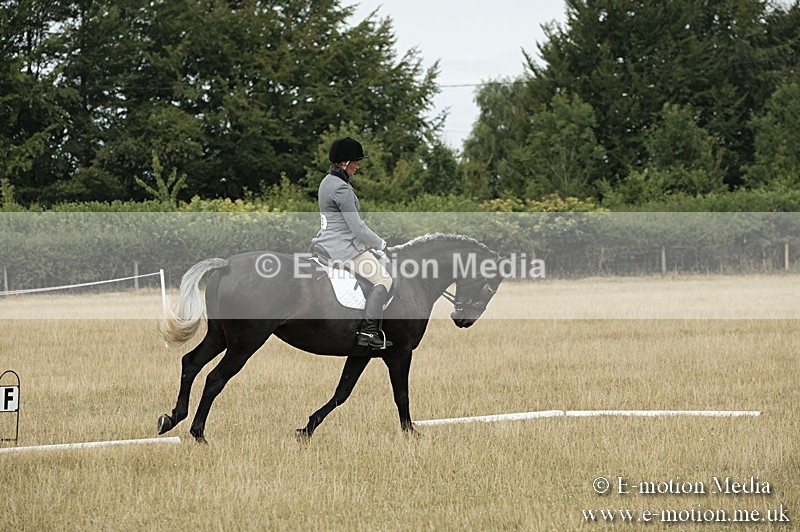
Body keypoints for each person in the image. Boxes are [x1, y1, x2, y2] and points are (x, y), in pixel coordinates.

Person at [310, 137, 393, 349]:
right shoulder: (342, 189)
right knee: (384, 279)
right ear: (344, 163)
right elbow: (358, 228)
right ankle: (368, 331)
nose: (358, 166)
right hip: (342, 247)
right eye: (356, 162)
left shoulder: (327, 181)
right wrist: (382, 244)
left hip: (326, 241)